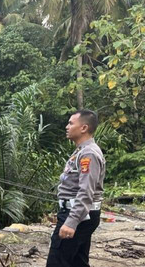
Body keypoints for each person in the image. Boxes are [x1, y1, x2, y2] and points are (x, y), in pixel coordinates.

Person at [46, 109, 105, 267]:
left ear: (84, 128)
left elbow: (86, 192)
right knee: (77, 262)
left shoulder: (89, 154)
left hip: (78, 216)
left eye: (71, 123)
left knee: (57, 262)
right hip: (80, 214)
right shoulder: (80, 151)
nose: (67, 126)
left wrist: (71, 222)